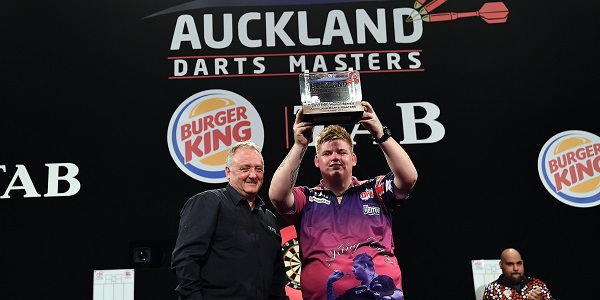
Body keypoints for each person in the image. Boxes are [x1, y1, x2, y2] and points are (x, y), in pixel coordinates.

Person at [269, 101, 418, 300]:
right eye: (327, 153)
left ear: (353, 158)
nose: (335, 158)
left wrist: (379, 134)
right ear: (317, 161)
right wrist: (300, 145)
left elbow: (409, 178)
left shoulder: (375, 190)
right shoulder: (307, 198)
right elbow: (277, 195)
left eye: (342, 152)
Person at [171, 141, 289, 300]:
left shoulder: (269, 219)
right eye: (245, 168)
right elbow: (185, 259)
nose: (253, 175)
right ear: (228, 172)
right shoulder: (208, 202)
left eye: (258, 169)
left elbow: (277, 278)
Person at [482, 248, 554, 300]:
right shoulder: (492, 289)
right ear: (501, 265)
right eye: (510, 264)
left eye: (519, 263)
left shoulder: (538, 284)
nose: (515, 268)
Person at [327, 253, 404, 300]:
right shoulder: (353, 292)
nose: (353, 270)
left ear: (365, 266)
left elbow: (399, 296)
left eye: (355, 266)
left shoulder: (385, 280)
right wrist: (329, 282)